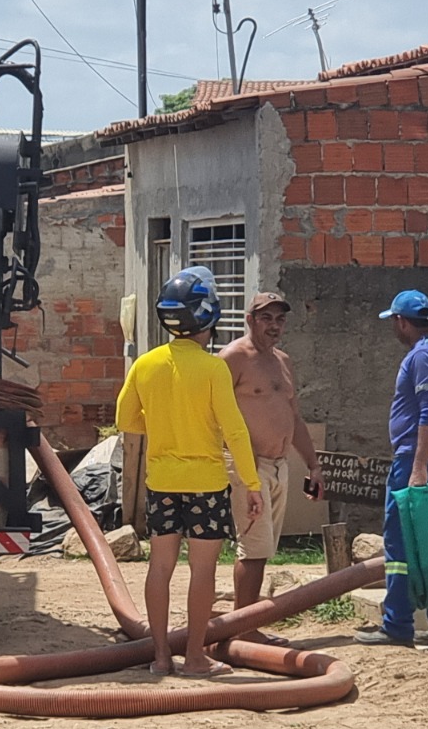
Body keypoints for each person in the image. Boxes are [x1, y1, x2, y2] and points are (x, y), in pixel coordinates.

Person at [116, 266, 264, 678]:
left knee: (159, 568)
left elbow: (126, 418)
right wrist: (251, 484)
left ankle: (161, 657)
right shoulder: (214, 369)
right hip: (205, 486)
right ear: (209, 318)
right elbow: (234, 431)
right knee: (203, 572)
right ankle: (196, 657)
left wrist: (164, 425)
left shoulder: (145, 365)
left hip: (161, 483)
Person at [355, 290, 428, 648]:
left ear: (403, 321)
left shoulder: (425, 356)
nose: (395, 329)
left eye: (395, 322)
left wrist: (418, 467)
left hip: (420, 458)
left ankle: (398, 624)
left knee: (402, 541)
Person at [218, 291, 324, 642]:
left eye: (279, 319)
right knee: (254, 546)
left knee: (263, 549)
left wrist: (313, 464)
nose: (274, 326)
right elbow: (214, 413)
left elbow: (294, 416)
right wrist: (244, 471)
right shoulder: (232, 358)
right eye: (266, 318)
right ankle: (243, 629)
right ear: (250, 320)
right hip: (246, 465)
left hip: (279, 464)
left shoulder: (283, 361)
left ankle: (244, 624)